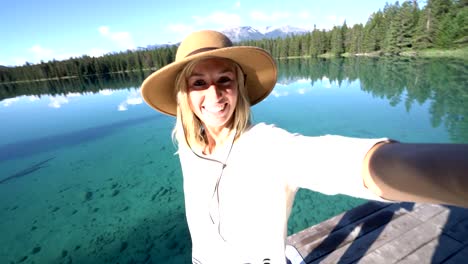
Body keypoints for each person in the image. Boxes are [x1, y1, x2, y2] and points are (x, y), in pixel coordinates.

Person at [140, 30, 468, 264]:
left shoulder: (267, 145)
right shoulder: (187, 144)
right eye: (199, 82)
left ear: (239, 86)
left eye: (225, 79)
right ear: (185, 94)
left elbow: (349, 163)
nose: (213, 95)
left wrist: (451, 174)